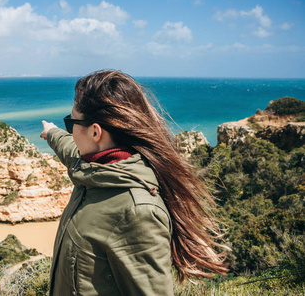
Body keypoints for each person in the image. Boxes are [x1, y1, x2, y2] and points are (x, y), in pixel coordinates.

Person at [40, 70, 228, 296]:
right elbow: (70, 150)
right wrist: (51, 132)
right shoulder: (94, 167)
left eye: (71, 123)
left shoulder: (139, 211)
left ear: (96, 132)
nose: (70, 131)